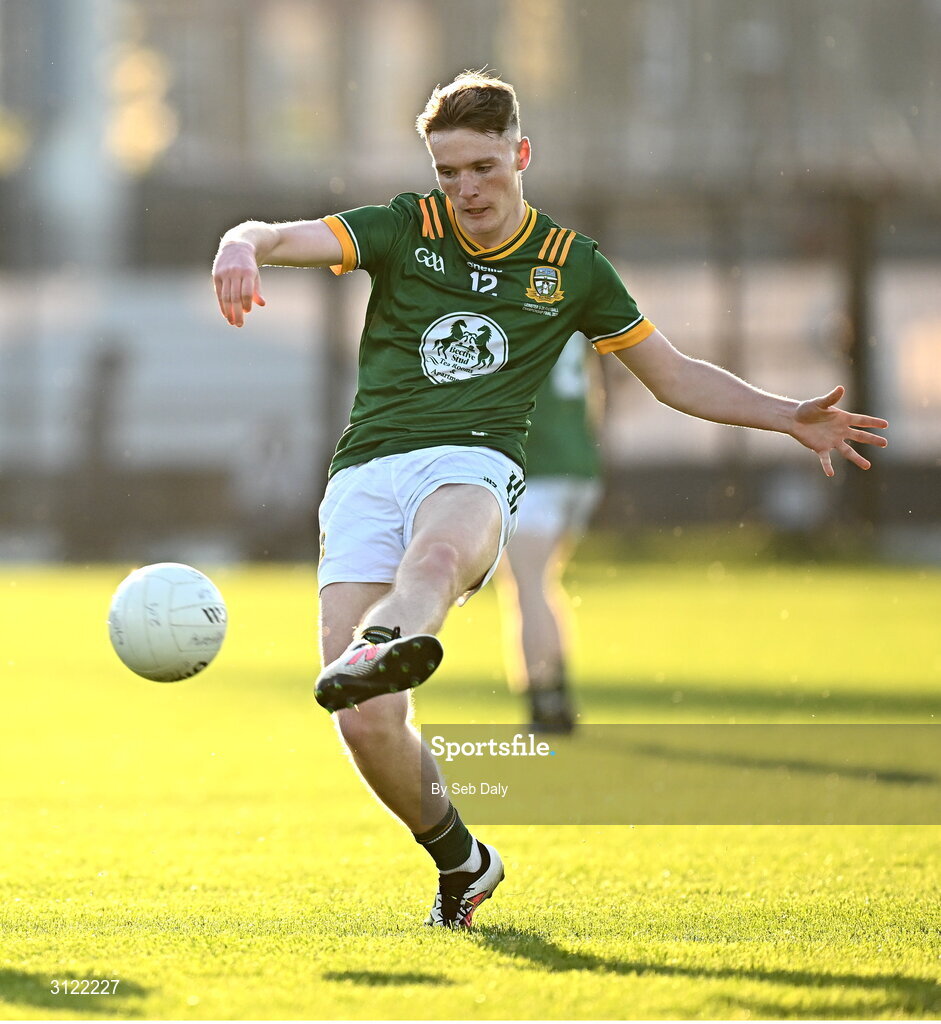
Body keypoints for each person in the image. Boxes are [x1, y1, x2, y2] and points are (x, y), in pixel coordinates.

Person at [211, 70, 888, 930]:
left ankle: (386, 638)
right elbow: (279, 234)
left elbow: (673, 375)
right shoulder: (400, 229)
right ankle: (462, 859)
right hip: (364, 476)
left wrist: (783, 414)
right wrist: (240, 241)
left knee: (438, 557)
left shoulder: (571, 266)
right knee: (368, 726)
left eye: (483, 167)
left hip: (471, 464)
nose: (465, 189)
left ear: (520, 154)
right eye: (448, 170)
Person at [497, 332, 603, 733]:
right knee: (543, 584)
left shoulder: (517, 307)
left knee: (526, 589)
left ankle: (545, 698)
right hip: (580, 465)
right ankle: (558, 688)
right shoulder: (564, 306)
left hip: (538, 467)